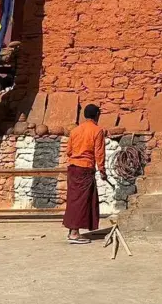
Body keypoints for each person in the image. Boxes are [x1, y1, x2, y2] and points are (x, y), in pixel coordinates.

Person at [63, 104, 106, 243]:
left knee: (74, 199)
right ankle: (74, 233)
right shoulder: (97, 130)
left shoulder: (75, 130)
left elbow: (69, 151)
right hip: (85, 169)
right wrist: (102, 170)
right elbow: (99, 153)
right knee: (81, 201)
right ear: (97, 115)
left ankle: (72, 230)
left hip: (73, 168)